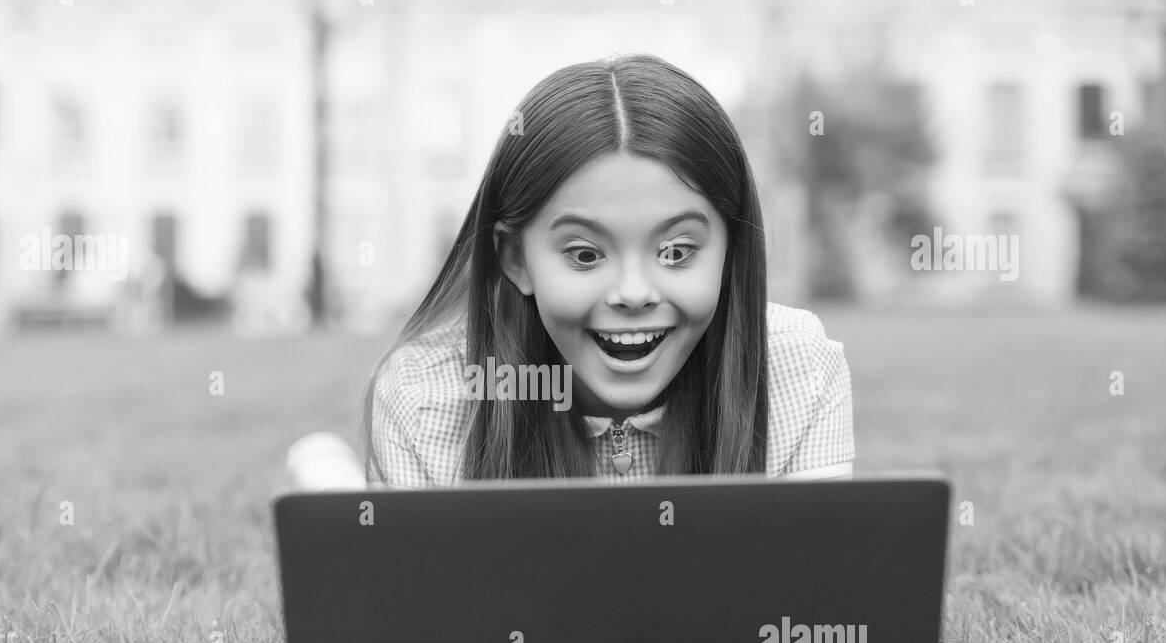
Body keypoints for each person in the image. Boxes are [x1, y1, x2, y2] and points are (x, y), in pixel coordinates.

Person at [289, 53, 853, 491]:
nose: (634, 293)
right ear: (516, 259)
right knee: (339, 506)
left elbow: (821, 590)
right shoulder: (427, 398)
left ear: (730, 253)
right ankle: (324, 474)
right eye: (585, 255)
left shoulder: (797, 368)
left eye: (678, 252)